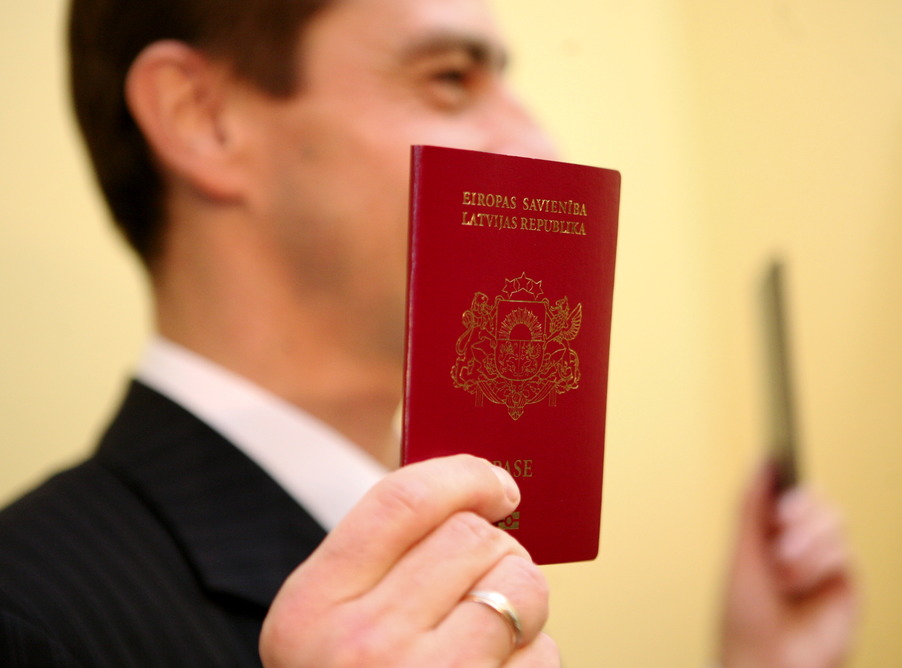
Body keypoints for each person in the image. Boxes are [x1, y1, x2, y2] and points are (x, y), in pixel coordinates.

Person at [0, 0, 857, 666]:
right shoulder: (27, 617)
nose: (542, 143)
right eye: (450, 78)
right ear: (201, 115)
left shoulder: (477, 554)